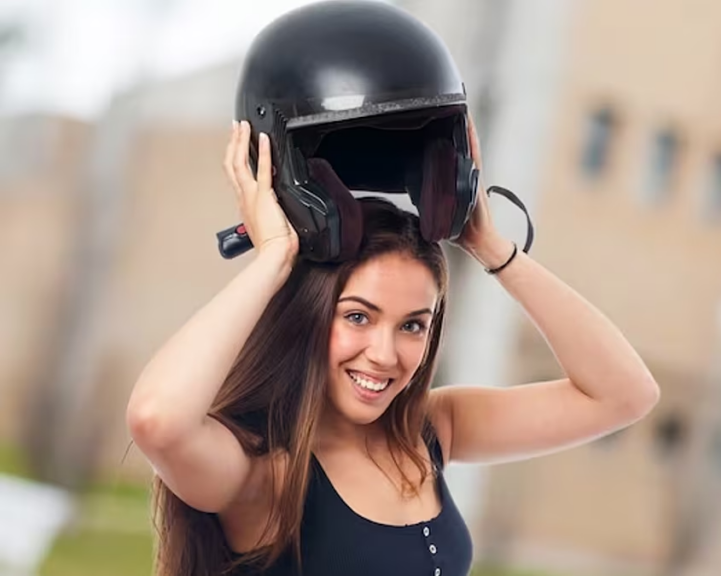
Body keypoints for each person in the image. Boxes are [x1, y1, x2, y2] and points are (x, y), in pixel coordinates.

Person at [126, 35, 660, 576]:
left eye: (413, 325)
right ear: (310, 317)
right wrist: (273, 257)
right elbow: (156, 419)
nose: (385, 354)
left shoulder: (431, 432)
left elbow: (624, 394)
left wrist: (492, 249)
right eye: (358, 316)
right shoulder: (265, 476)